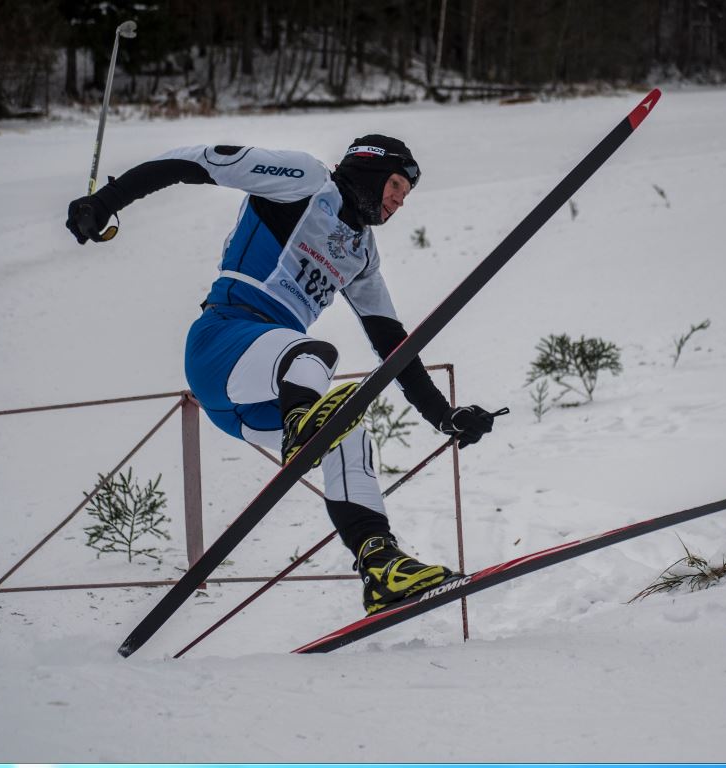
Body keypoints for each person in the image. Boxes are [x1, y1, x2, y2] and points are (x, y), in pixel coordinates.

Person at [66, 134, 497, 614]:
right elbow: (195, 163)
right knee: (314, 353)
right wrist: (106, 201)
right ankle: (301, 426)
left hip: (258, 402)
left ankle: (380, 565)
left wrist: (443, 416)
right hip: (223, 343)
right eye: (396, 185)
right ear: (371, 171)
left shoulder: (361, 251)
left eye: (405, 194)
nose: (399, 200)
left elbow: (392, 343)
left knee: (350, 436)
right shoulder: (305, 180)